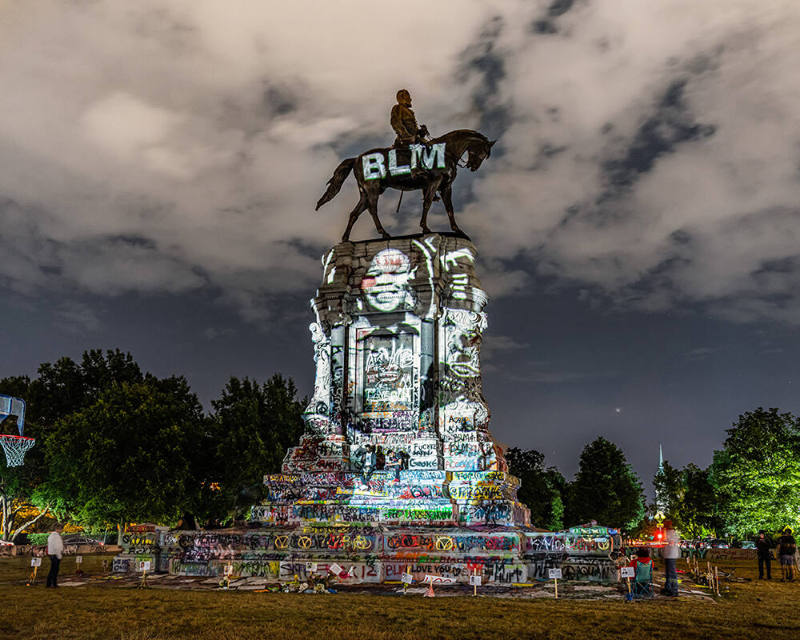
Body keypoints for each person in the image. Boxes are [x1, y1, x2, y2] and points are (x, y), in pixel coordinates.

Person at [661, 520, 680, 597]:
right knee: (668, 573)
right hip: (668, 555)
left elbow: (671, 542)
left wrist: (665, 542)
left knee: (672, 573)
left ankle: (674, 589)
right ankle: (668, 587)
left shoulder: (671, 533)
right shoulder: (668, 532)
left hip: (671, 555)